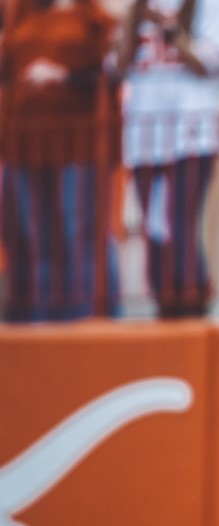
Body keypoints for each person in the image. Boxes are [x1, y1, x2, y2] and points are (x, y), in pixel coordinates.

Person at [0, 0, 121, 322]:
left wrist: (63, 75)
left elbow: (110, 70)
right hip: (24, 143)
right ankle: (33, 316)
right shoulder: (23, 14)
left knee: (77, 229)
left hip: (77, 144)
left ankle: (85, 314)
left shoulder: (91, 16)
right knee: (27, 232)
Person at [116, 0, 219, 317]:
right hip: (144, 135)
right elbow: (116, 65)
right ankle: (164, 307)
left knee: (180, 225)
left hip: (190, 133)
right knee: (154, 230)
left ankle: (191, 309)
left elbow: (208, 62)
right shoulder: (138, 6)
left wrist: (170, 29)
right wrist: (134, 18)